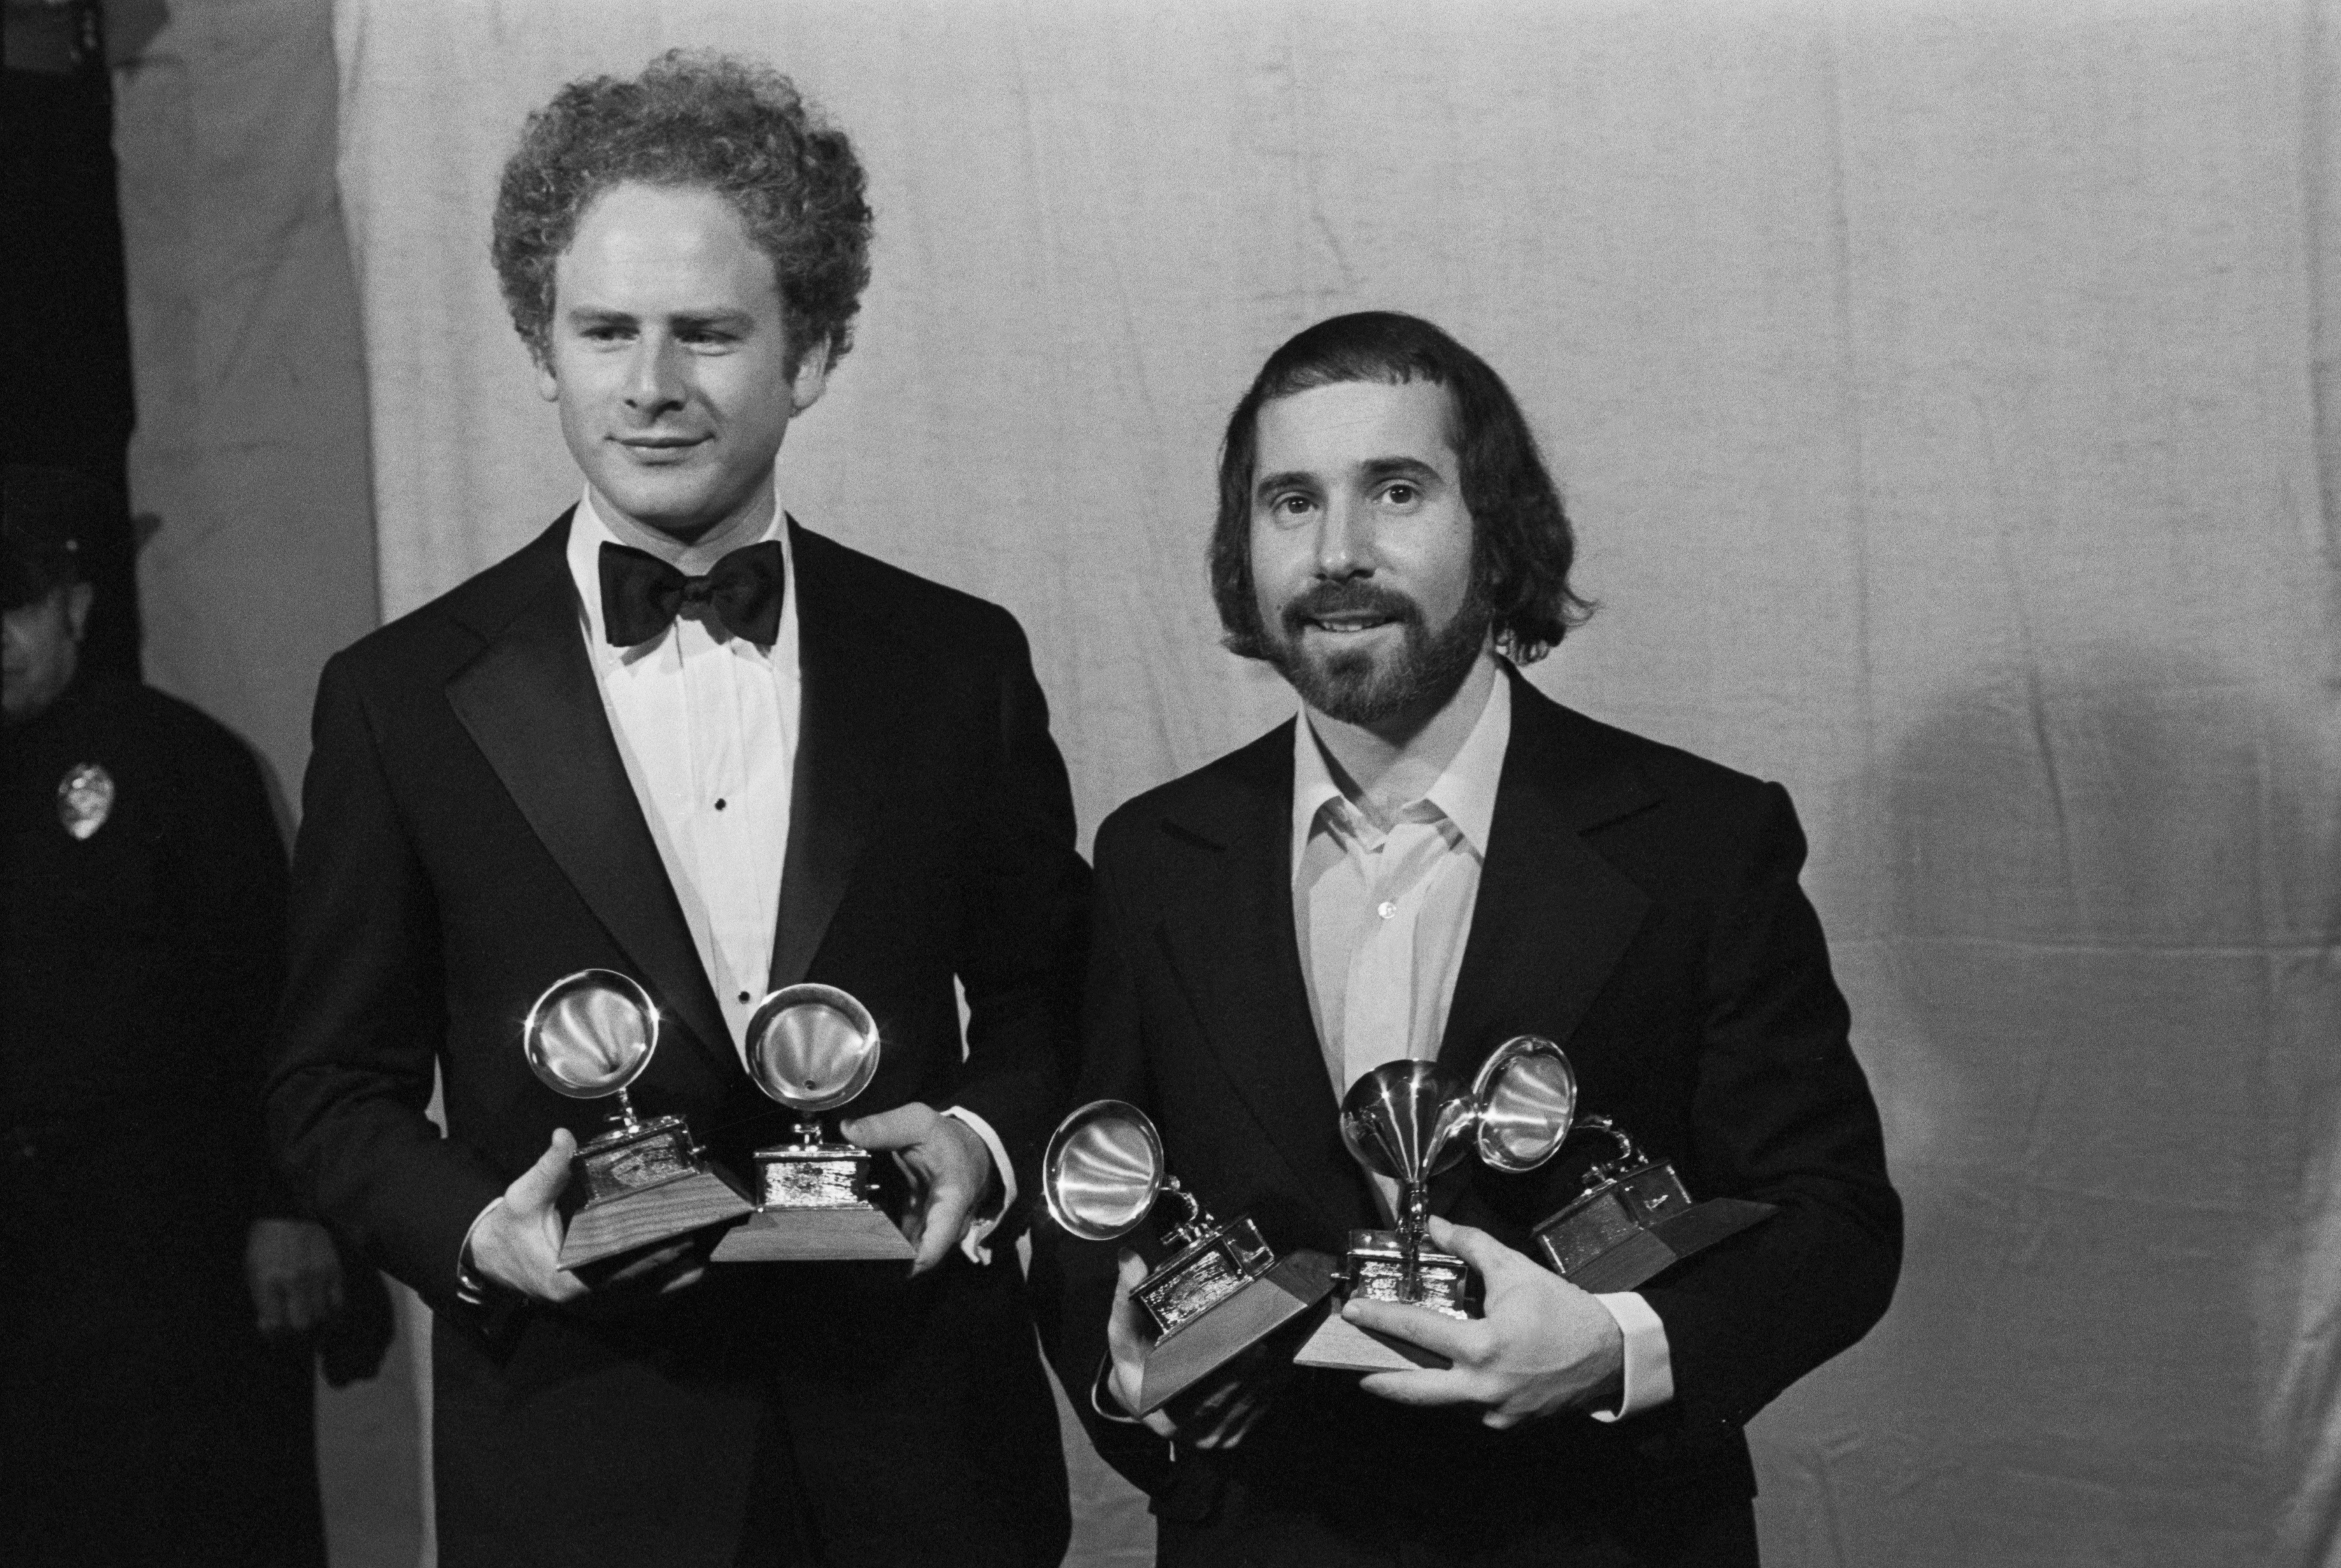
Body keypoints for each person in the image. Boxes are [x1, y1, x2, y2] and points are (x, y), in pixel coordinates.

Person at [264, 53, 1086, 1567]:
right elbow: (332, 1092)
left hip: (918, 1449)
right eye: (604, 332)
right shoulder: (396, 699)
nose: (649, 387)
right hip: (587, 1460)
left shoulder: (957, 661)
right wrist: (473, 1232)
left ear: (814, 351)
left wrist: (979, 1135)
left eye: (707, 333)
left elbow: (1055, 997)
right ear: (539, 343)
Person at [1034, 312, 1901, 1565]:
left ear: (1493, 535)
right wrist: (1132, 1386)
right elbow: (1090, 1201)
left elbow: (1830, 1222)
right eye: (1289, 502)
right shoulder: (1151, 857)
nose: (1337, 551)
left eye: (1394, 491)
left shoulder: (1697, 840)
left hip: (1596, 1530)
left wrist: (1613, 1349)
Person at [2, 465, 387, 1567]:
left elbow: (281, 999)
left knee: (212, 1529)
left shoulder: (179, 764)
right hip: (22, 1273)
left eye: (14, 603)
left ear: (74, 604)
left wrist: (288, 1206)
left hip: (176, 1260)